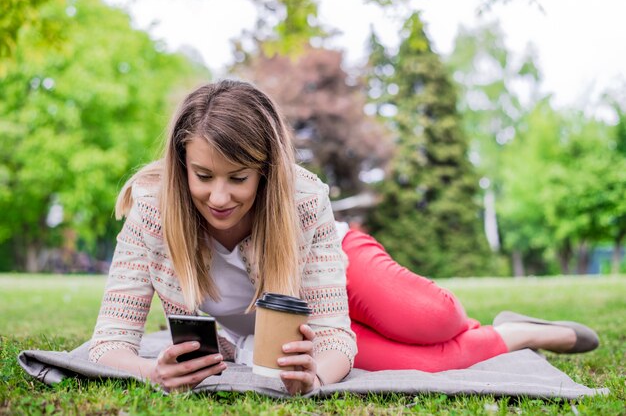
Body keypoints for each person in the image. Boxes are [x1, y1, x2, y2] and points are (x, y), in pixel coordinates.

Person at [89, 79, 599, 395]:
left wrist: (323, 365)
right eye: (203, 176)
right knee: (430, 363)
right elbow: (109, 343)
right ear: (181, 166)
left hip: (337, 267)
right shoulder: (152, 213)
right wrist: (148, 372)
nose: (219, 197)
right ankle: (520, 333)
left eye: (238, 178)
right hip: (263, 327)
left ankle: (475, 321)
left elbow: (332, 333)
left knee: (433, 319)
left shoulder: (302, 198)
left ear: (266, 172)